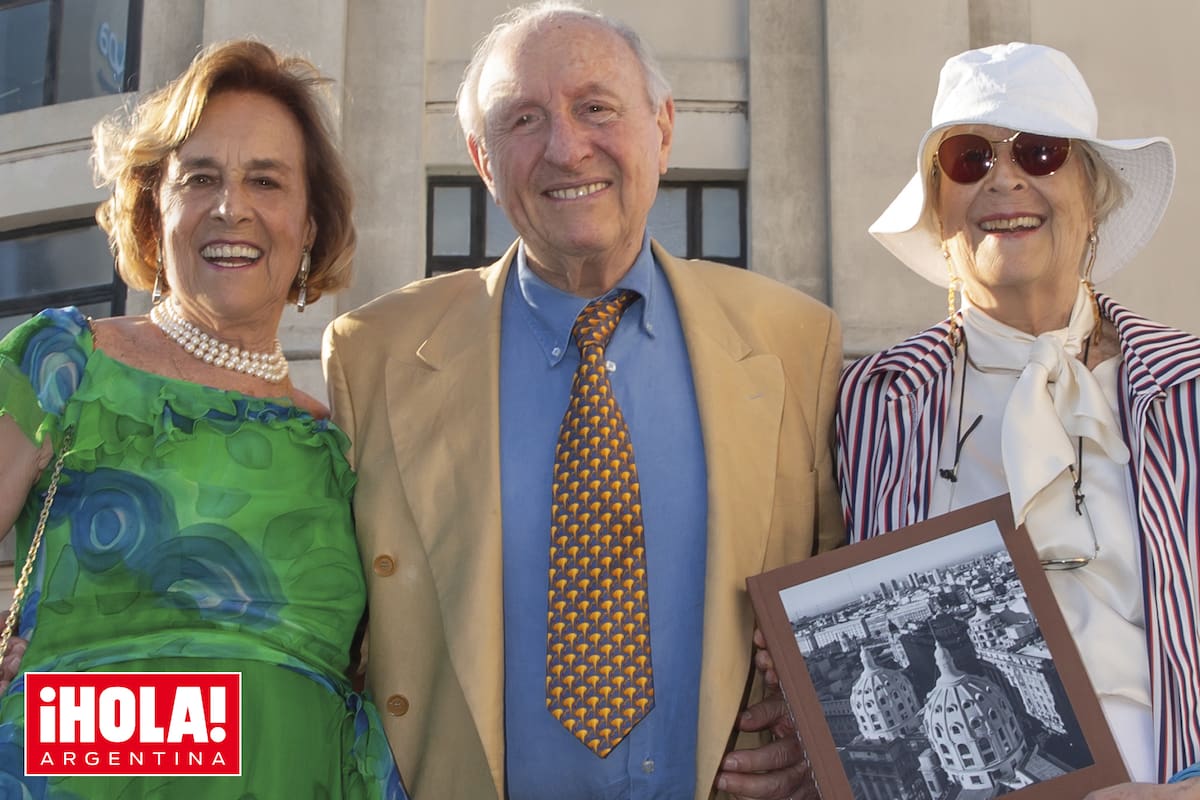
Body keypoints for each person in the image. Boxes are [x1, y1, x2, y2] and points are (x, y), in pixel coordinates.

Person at [322, 1, 843, 798]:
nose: (566, 148)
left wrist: (825, 729)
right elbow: (317, 633)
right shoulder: (374, 356)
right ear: (483, 159)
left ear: (662, 130)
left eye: (596, 108)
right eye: (523, 119)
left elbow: (841, 600)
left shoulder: (796, 344)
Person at [0, 40, 407, 798]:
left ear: (310, 224)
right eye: (200, 178)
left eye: (266, 181)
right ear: (154, 207)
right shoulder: (65, 363)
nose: (232, 208)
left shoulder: (336, 441)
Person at [837, 42, 1200, 797]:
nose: (1005, 178)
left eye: (1040, 151)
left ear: (1093, 195)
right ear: (939, 209)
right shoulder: (868, 402)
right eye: (970, 159)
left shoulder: (1189, 388)